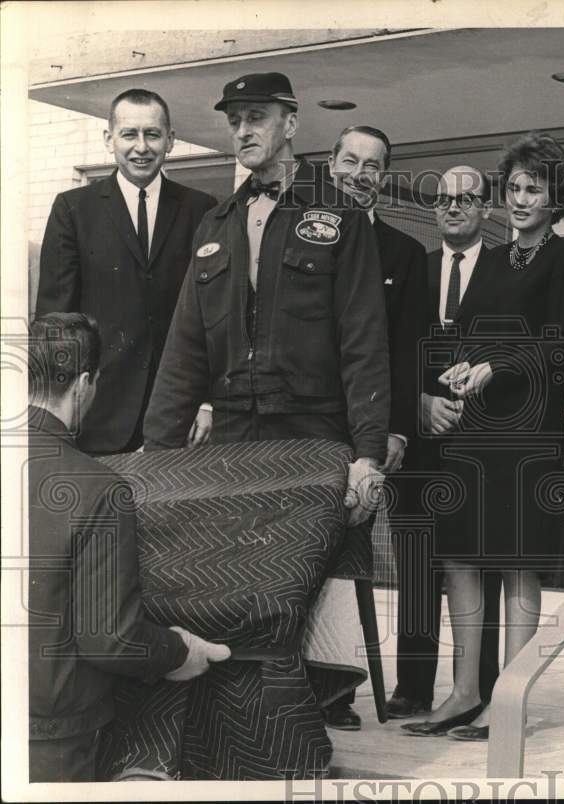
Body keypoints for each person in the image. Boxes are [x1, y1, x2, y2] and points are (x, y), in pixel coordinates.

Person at [401, 134, 564, 740]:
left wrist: (497, 366)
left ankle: (512, 700)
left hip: (528, 436)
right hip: (474, 433)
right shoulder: (497, 258)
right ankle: (463, 693)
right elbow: (469, 339)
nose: (521, 198)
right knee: (459, 556)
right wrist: (458, 370)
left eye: (534, 188)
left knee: (516, 563)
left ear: (555, 196)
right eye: (513, 188)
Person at [142, 72, 388, 528]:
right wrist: (155, 455)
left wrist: (368, 454)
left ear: (290, 125)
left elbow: (363, 339)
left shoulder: (341, 215)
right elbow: (185, 348)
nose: (242, 131)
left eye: (256, 118)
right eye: (235, 121)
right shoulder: (216, 224)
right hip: (233, 440)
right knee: (239, 578)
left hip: (313, 437)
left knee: (317, 584)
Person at [27, 313, 230, 782]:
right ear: (83, 384)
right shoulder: (99, 489)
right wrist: (181, 652)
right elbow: (110, 640)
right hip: (53, 738)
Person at [383, 165, 504, 721]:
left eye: (467, 199)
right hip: (420, 441)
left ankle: (481, 685)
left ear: (486, 208)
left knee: (480, 564)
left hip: (482, 443)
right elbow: (394, 351)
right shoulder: (415, 267)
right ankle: (412, 685)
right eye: (444, 200)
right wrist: (417, 408)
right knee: (415, 563)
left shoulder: (507, 268)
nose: (453, 208)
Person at [36, 89, 217, 455]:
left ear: (170, 139)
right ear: (109, 139)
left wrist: (206, 401)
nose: (141, 147)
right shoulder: (73, 209)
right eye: (129, 134)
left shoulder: (202, 210)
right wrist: (58, 412)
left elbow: (214, 316)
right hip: (95, 415)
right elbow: (56, 320)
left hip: (177, 416)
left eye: (152, 134)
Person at [320, 124, 428, 730]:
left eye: (373, 165)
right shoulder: (300, 239)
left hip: (374, 431)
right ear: (331, 166)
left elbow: (409, 352)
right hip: (312, 428)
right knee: (317, 557)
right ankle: (320, 685)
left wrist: (397, 429)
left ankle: (378, 687)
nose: (360, 174)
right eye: (351, 161)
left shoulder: (405, 254)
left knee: (382, 557)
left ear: (383, 179)